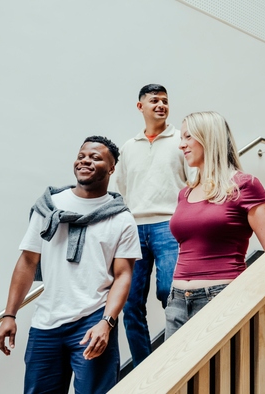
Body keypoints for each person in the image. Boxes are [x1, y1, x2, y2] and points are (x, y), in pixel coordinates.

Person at [0, 136, 142, 394]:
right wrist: (10, 314)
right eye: (82, 155)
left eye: (96, 157)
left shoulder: (122, 218)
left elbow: (123, 275)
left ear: (111, 168)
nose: (85, 160)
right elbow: (28, 261)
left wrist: (107, 323)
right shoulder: (49, 207)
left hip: (93, 320)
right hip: (46, 323)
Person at [164, 111, 265, 339]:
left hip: (220, 298)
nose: (182, 145)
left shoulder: (245, 185)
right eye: (181, 139)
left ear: (208, 138)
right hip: (177, 301)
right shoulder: (184, 193)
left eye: (188, 137)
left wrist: (247, 294)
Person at [111, 84, 193, 366]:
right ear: (140, 106)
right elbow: (120, 189)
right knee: (131, 303)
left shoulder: (180, 140)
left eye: (165, 101)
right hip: (132, 230)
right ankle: (144, 366)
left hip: (169, 225)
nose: (161, 105)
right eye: (154, 100)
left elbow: (192, 182)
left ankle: (175, 359)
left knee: (169, 292)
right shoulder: (128, 147)